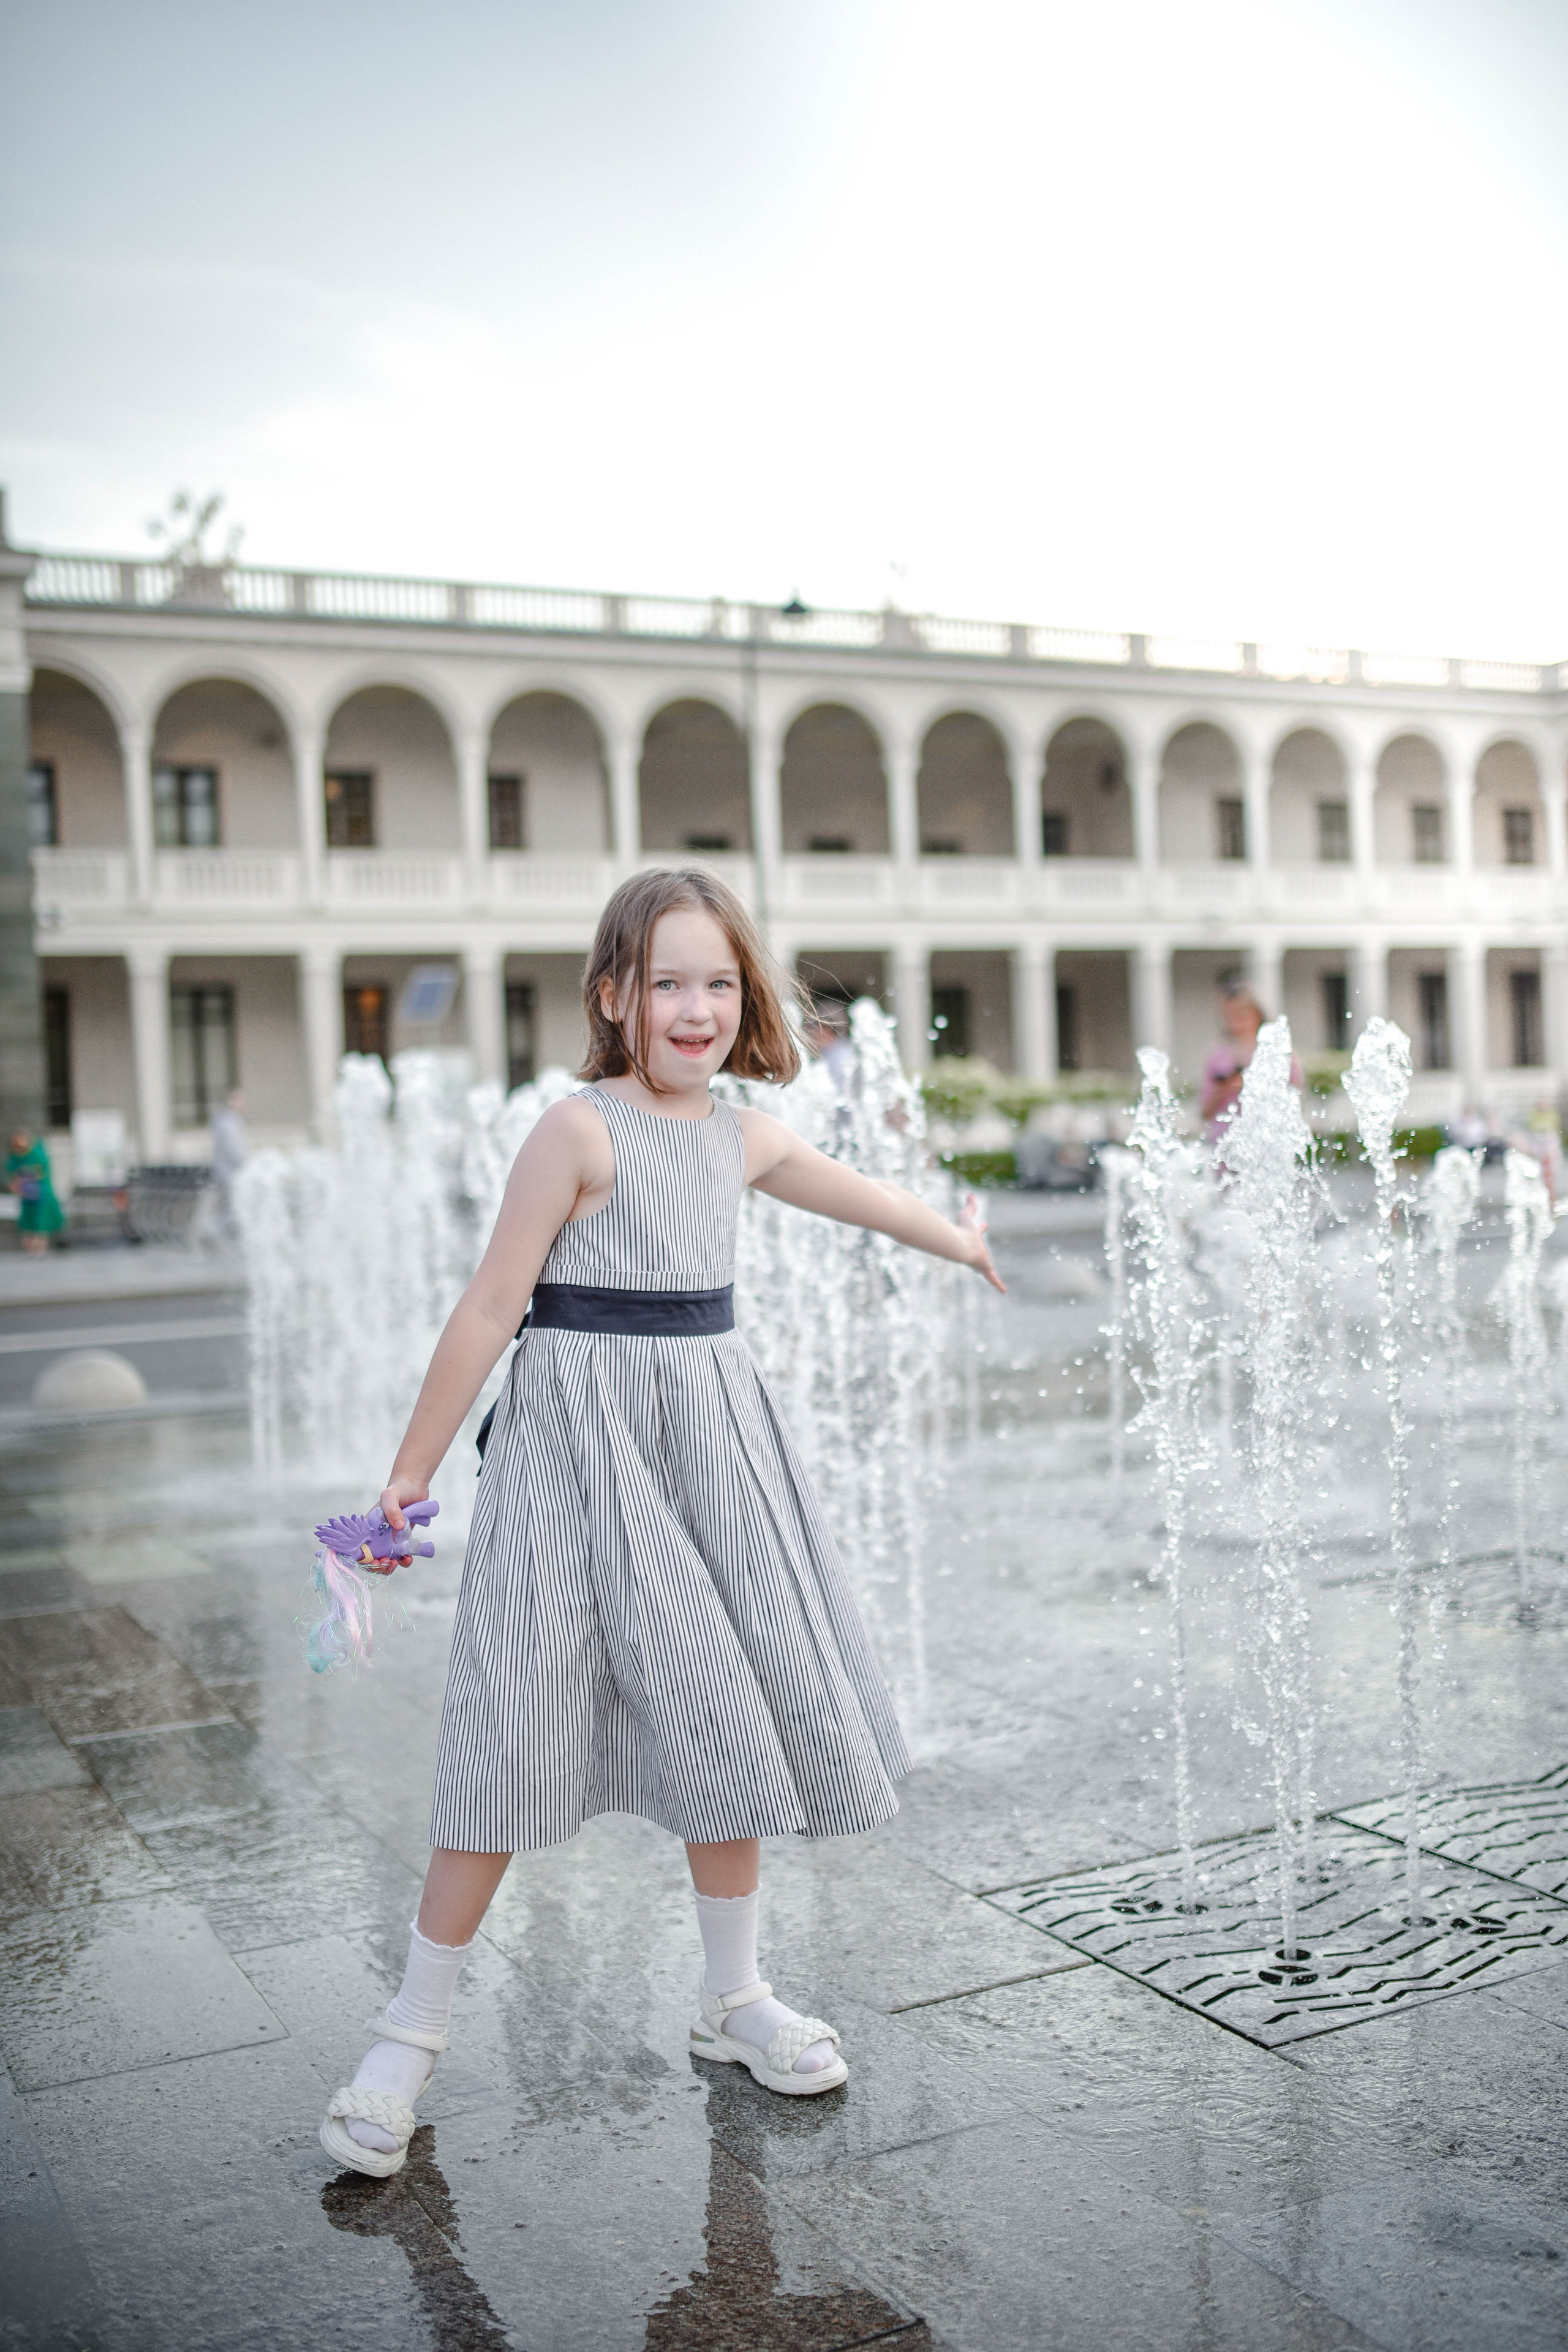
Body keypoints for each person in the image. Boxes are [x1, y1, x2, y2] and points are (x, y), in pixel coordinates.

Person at [318, 867, 1004, 2179]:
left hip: (706, 1452)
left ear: (743, 999)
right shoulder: (576, 1133)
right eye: (668, 982)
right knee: (508, 1724)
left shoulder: (738, 1131)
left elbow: (858, 1190)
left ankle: (730, 1997)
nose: (696, 1007)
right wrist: (409, 1472)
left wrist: (954, 1242)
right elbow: (485, 1308)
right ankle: (407, 2035)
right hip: (570, 1453)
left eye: (719, 982)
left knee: (718, 1708)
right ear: (614, 997)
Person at [1198, 979, 1302, 1140]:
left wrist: (1251, 1087)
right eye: (1229, 1016)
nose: (1236, 1023)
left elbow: (1294, 1095)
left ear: (1257, 1014)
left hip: (1267, 1138)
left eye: (1242, 1016)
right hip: (1225, 1139)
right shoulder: (1217, 1055)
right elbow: (1204, 1112)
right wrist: (1221, 1093)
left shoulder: (1276, 1051)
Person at [6, 1129, 65, 1256]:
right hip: (26, 1195)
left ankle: (39, 1246)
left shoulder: (36, 1153)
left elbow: (41, 1170)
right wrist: (16, 1184)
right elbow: (9, 1173)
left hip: (40, 1194)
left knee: (40, 1220)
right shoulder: (15, 1157)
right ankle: (31, 1246)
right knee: (28, 1220)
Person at [208, 1087, 248, 1237]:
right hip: (231, 1173)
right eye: (240, 1100)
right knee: (235, 1207)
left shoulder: (223, 1121)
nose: (244, 1103)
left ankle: (213, 1232)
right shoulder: (229, 1123)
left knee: (230, 1207)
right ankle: (212, 1232)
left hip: (224, 1172)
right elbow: (235, 1152)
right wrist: (247, 1163)